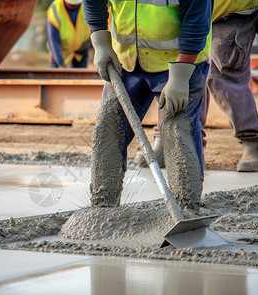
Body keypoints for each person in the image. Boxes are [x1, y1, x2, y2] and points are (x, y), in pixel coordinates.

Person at [84, 0, 213, 209]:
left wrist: (181, 74)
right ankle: (103, 207)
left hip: (178, 62)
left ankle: (188, 208)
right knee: (108, 129)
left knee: (176, 131)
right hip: (125, 61)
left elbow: (197, 17)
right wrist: (99, 40)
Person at [138, 0, 258, 172]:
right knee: (179, 71)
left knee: (223, 75)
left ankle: (253, 143)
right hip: (187, 10)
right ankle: (172, 143)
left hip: (232, 10)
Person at [47, 0, 91, 68]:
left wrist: (89, 44)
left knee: (80, 77)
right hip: (60, 53)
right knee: (57, 76)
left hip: (81, 53)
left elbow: (95, 27)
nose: (73, 6)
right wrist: (60, 63)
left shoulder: (87, 5)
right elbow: (53, 40)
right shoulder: (56, 8)